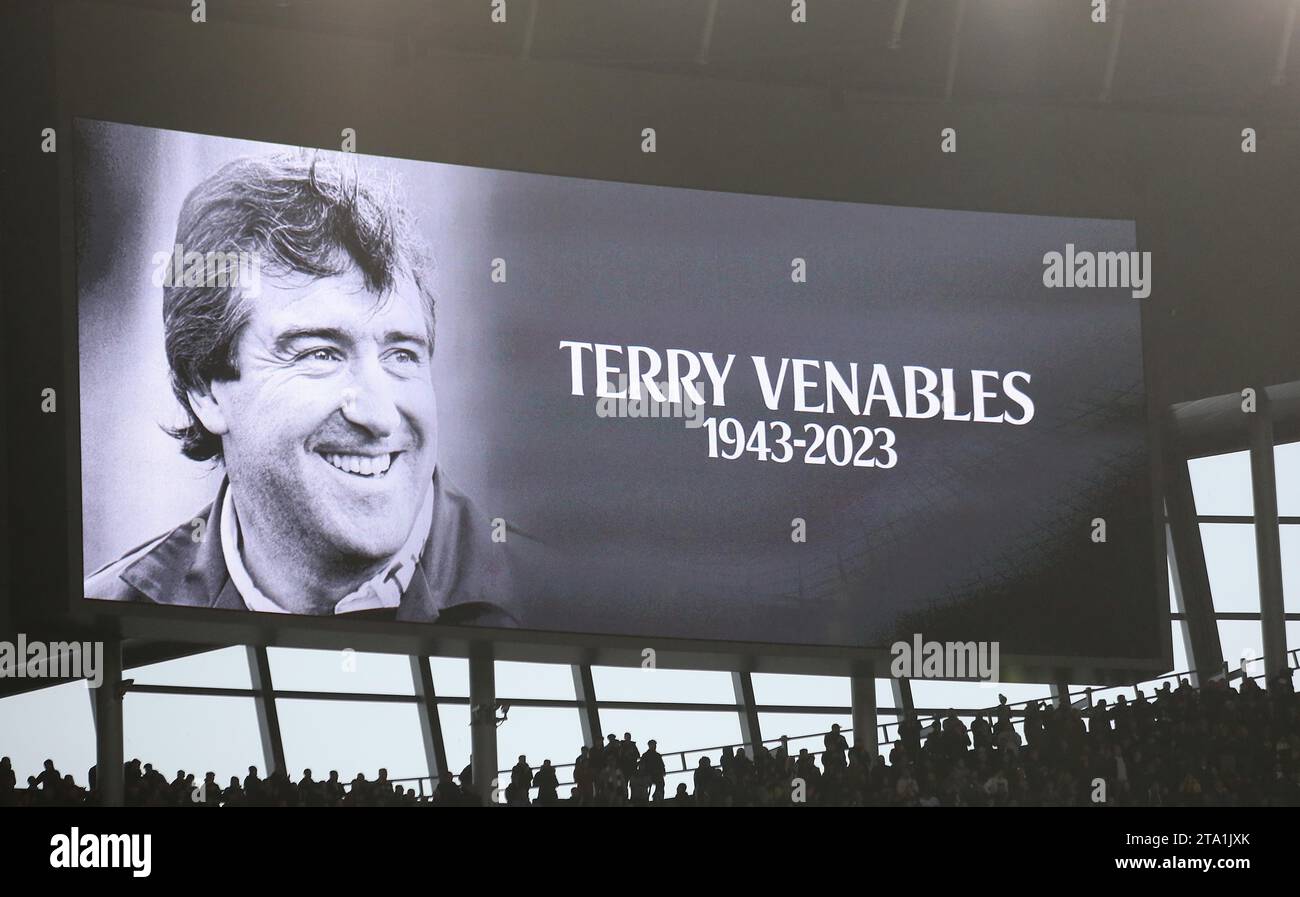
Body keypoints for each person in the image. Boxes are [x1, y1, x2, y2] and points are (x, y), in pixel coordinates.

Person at [82, 152, 520, 626]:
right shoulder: (107, 627)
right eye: (320, 354)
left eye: (402, 355)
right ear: (205, 389)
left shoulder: (557, 599)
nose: (379, 415)